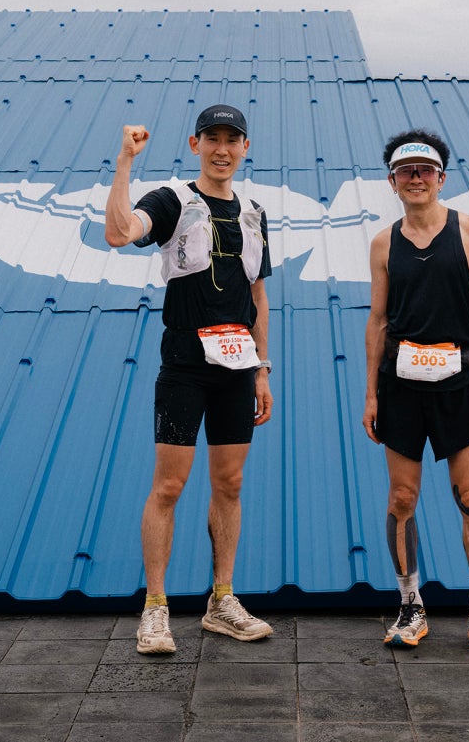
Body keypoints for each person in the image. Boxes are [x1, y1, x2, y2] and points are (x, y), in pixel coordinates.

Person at [105, 104, 275, 653]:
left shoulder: (254, 212)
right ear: (195, 144)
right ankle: (155, 608)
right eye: (212, 138)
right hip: (184, 365)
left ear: (245, 147)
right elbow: (119, 233)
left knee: (230, 484)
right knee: (170, 486)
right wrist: (125, 163)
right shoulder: (172, 200)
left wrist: (262, 369)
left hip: (238, 367)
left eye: (232, 139)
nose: (222, 149)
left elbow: (258, 295)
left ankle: (221, 600)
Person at [362, 129, 469, 652]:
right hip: (401, 385)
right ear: (393, 182)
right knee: (402, 497)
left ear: (441, 178)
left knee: (468, 495)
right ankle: (410, 604)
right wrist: (371, 395)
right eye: (405, 171)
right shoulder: (383, 243)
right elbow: (378, 320)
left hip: (458, 382)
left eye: (425, 170)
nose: (416, 178)